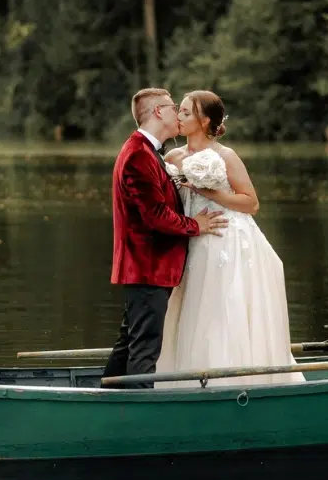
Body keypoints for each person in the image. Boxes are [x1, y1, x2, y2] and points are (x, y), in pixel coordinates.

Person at [156, 90, 305, 387]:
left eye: (185, 112)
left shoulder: (226, 156)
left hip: (227, 238)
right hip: (193, 238)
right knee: (193, 308)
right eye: (179, 111)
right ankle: (185, 379)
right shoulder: (172, 157)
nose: (179, 117)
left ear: (204, 120)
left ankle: (234, 379)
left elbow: (251, 203)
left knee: (224, 307)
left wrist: (210, 193)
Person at [101, 88, 228, 389]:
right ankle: (139, 409)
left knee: (130, 341)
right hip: (148, 266)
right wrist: (195, 225)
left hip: (146, 267)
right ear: (158, 111)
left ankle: (106, 399)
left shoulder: (146, 151)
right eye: (173, 107)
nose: (177, 113)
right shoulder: (138, 155)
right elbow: (155, 215)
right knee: (144, 347)